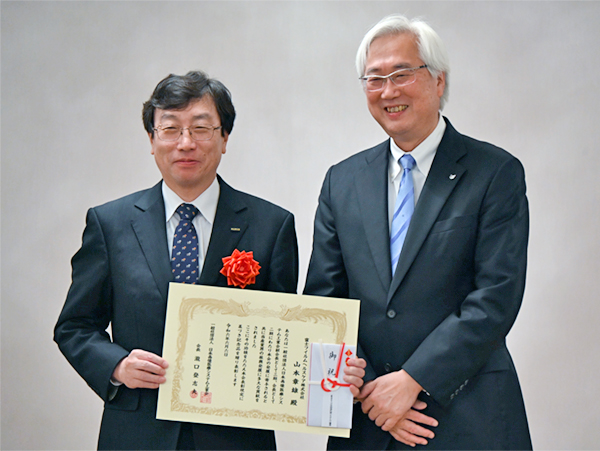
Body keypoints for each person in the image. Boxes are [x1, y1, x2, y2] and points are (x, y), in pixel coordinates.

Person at [304, 14, 532, 450]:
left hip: (466, 412)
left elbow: (496, 297)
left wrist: (412, 381)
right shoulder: (342, 180)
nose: (388, 91)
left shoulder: (494, 172)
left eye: (402, 74)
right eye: (374, 79)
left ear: (439, 81)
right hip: (366, 420)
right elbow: (324, 301)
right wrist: (375, 393)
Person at [54, 71, 299, 450]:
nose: (186, 143)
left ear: (225, 138)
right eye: (170, 129)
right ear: (152, 140)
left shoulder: (272, 226)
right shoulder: (111, 223)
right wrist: (116, 367)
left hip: (235, 437)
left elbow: (286, 337)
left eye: (201, 128)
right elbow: (74, 326)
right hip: (138, 433)